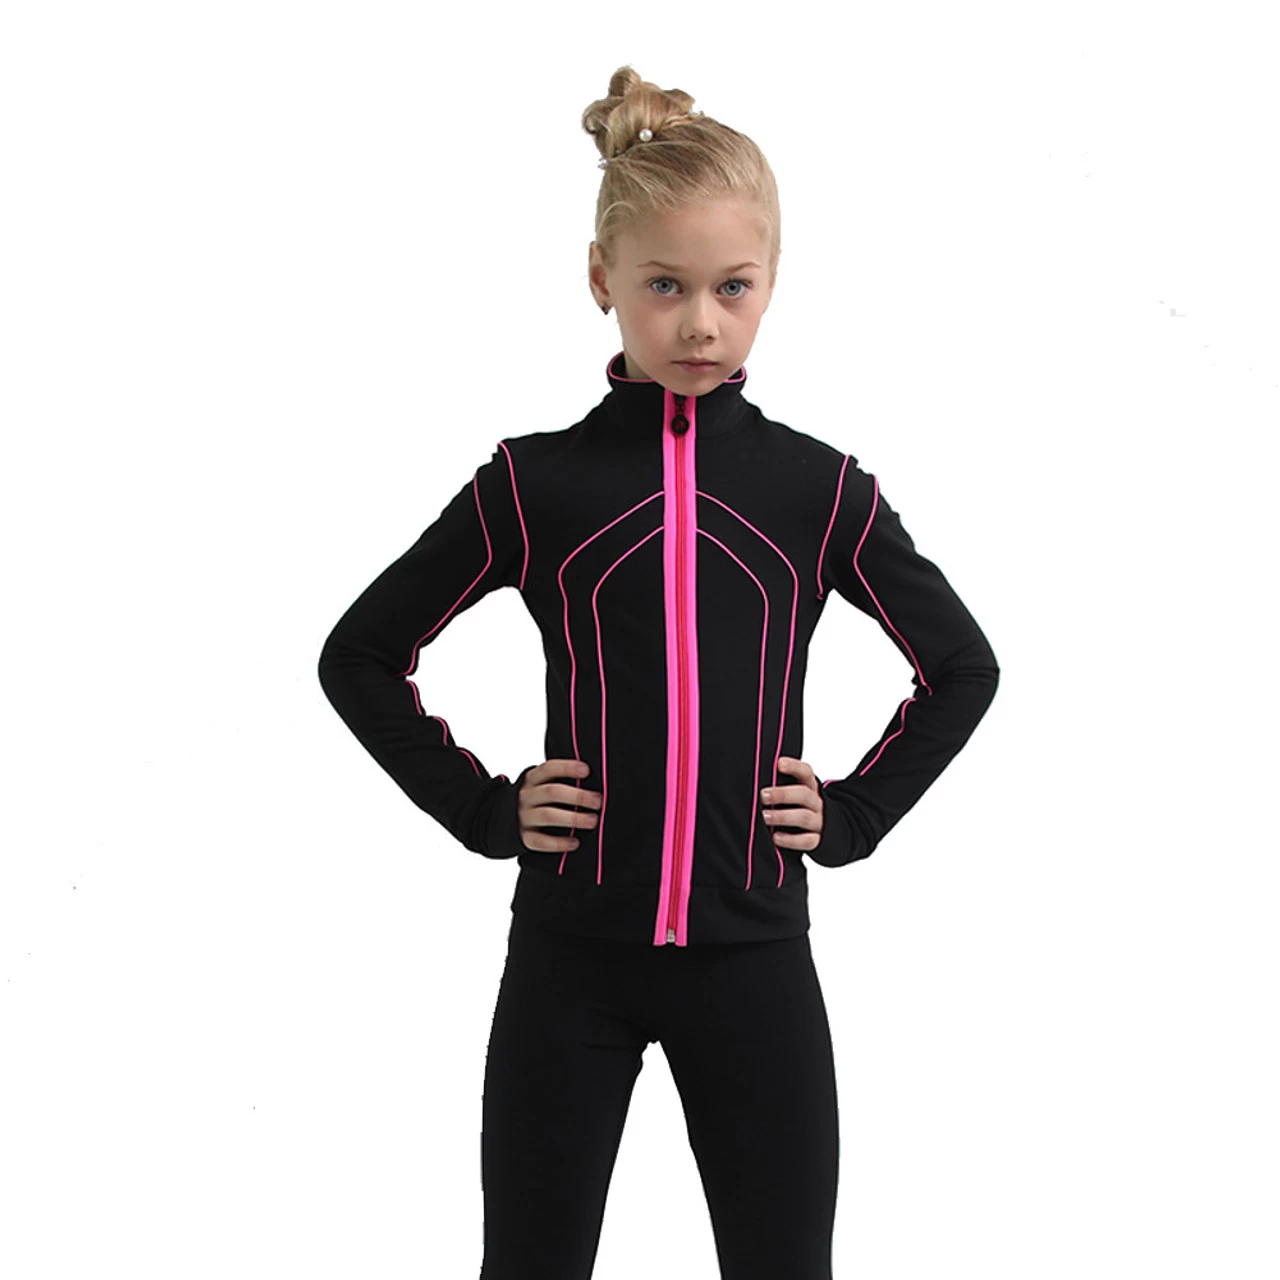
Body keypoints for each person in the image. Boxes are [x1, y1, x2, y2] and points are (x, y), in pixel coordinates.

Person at [317, 64, 999, 1280]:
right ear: (602, 279)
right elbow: (359, 654)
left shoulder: (815, 489)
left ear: (770, 283)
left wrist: (852, 812)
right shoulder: (533, 485)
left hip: (753, 961)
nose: (698, 324)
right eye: (663, 285)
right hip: (569, 961)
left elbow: (961, 664)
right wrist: (484, 807)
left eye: (732, 287)